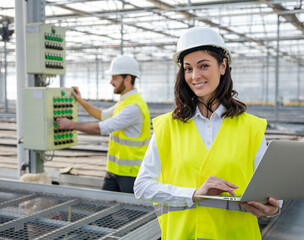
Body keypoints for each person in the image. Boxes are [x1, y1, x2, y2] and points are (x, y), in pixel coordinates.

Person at [134, 27, 282, 239]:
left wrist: (274, 208)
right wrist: (193, 194)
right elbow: (142, 186)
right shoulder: (166, 126)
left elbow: (271, 190)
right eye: (188, 68)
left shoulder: (252, 127)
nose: (195, 76)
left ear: (223, 66)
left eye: (203, 66)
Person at [57, 55, 151, 193]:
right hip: (114, 170)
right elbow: (101, 115)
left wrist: (71, 125)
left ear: (128, 79)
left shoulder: (134, 107)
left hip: (130, 174)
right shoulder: (125, 101)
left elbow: (102, 128)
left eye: (115, 78)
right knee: (105, 207)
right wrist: (80, 101)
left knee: (130, 212)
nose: (111, 82)